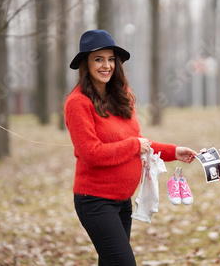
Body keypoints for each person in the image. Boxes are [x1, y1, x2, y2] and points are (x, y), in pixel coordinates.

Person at [64, 30, 196, 266]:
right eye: (98, 59)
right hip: (95, 201)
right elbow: (91, 154)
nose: (107, 65)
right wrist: (134, 145)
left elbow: (138, 141)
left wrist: (174, 152)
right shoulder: (78, 103)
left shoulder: (121, 96)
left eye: (111, 59)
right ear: (86, 64)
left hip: (123, 200)